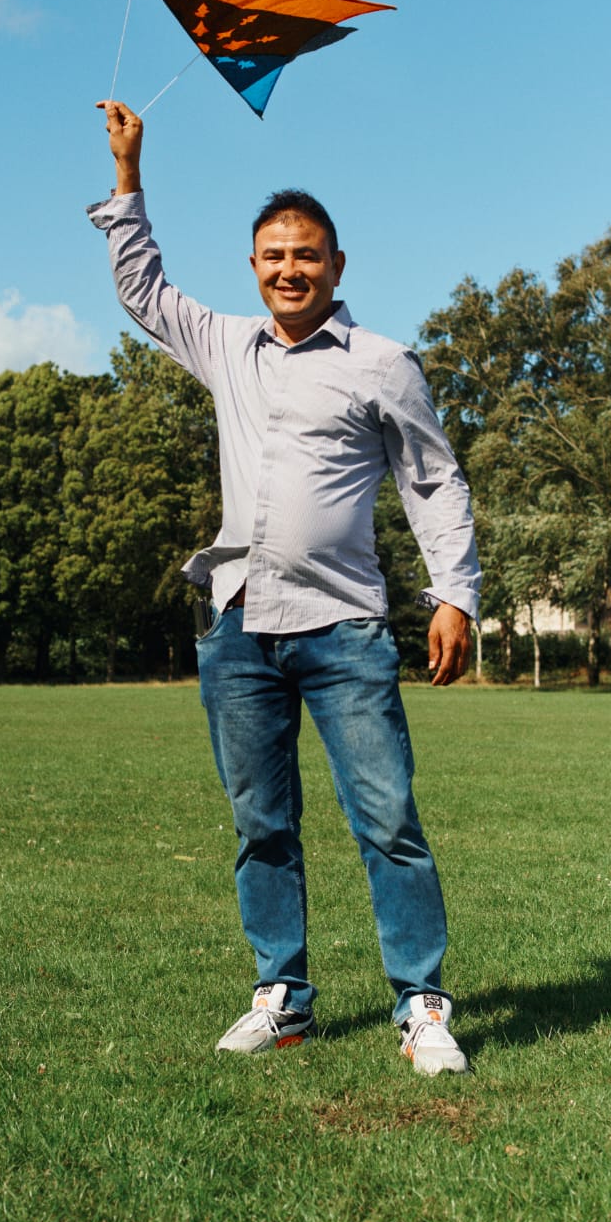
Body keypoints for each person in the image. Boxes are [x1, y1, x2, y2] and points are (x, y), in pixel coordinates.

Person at [90, 100, 481, 1076]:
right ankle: (283, 998)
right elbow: (142, 290)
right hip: (238, 629)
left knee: (386, 822)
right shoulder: (227, 346)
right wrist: (129, 174)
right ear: (254, 264)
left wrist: (455, 594)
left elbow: (433, 482)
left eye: (306, 255)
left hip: (345, 629)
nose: (289, 269)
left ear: (337, 266)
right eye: (273, 256)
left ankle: (422, 1006)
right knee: (261, 825)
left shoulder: (381, 364)